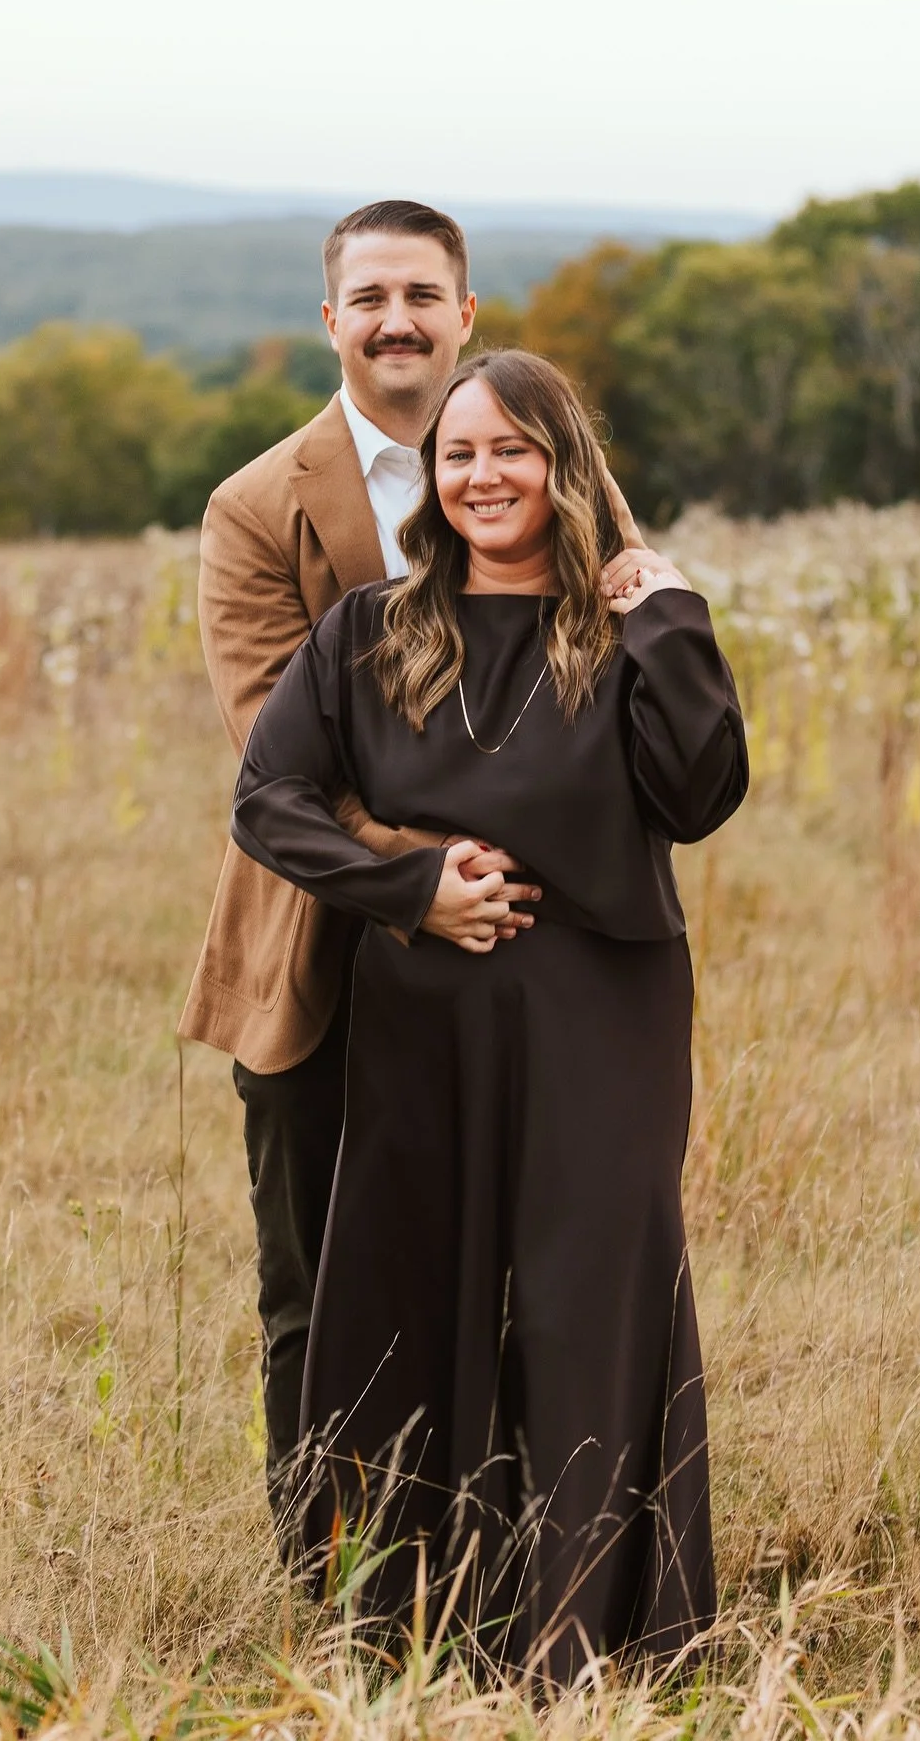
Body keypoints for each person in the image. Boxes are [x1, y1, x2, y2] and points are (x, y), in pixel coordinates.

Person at [230, 350, 749, 1673]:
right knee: (423, 1291)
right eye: (460, 454)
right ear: (434, 478)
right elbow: (269, 800)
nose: (483, 476)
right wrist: (409, 887)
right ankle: (425, 1623)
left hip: (600, 1021)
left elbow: (700, 794)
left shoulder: (630, 626)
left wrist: (670, 612)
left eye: (513, 449)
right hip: (421, 1025)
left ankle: (591, 1631)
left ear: (567, 466)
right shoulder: (369, 634)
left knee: (584, 1297)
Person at [177, 201, 642, 1529]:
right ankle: (335, 1575)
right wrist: (430, 877)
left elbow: (613, 693)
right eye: (370, 297)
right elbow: (274, 752)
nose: (398, 321)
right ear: (332, 321)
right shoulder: (256, 507)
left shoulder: (549, 477)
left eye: (423, 296)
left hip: (525, 952)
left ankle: (497, 1551)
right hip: (326, 945)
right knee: (320, 1284)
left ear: (465, 315)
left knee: (514, 1264)